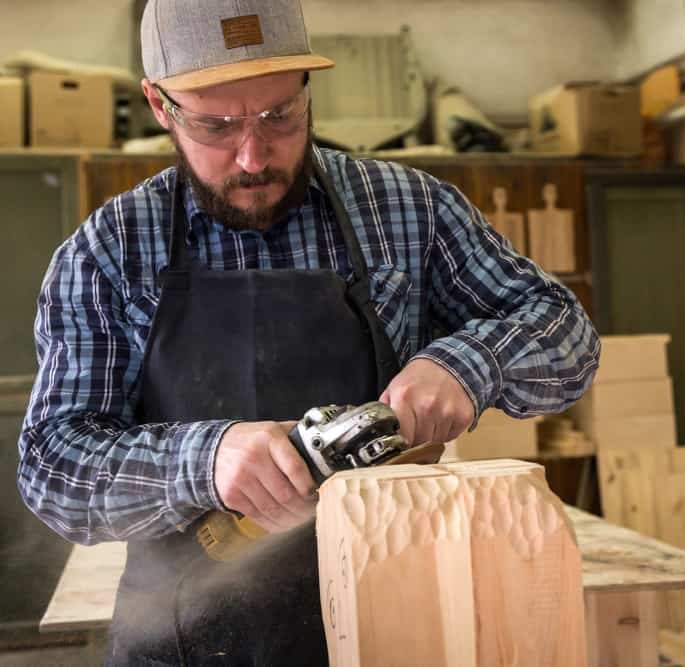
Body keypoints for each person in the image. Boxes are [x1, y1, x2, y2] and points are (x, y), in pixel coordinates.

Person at [16, 0, 599, 663]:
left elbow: (564, 327)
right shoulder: (110, 250)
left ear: (307, 89)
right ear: (159, 105)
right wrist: (203, 460)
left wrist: (470, 364)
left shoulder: (408, 209)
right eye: (215, 125)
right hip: (179, 638)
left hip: (393, 623)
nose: (252, 155)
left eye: (279, 116)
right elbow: (51, 465)